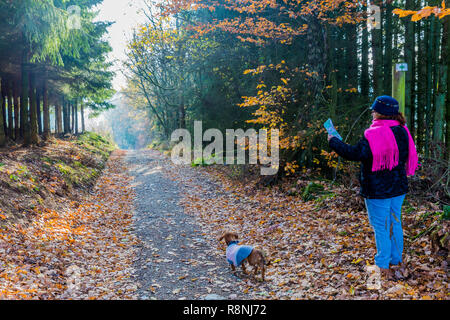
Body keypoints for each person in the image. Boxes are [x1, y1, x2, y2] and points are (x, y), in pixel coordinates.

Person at [328, 95, 418, 279]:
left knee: (381, 226)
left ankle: (382, 267)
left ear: (382, 113)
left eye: (375, 110)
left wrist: (333, 141)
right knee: (394, 222)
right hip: (398, 187)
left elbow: (353, 153)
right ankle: (396, 261)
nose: (372, 112)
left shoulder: (374, 134)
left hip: (378, 190)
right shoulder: (402, 131)